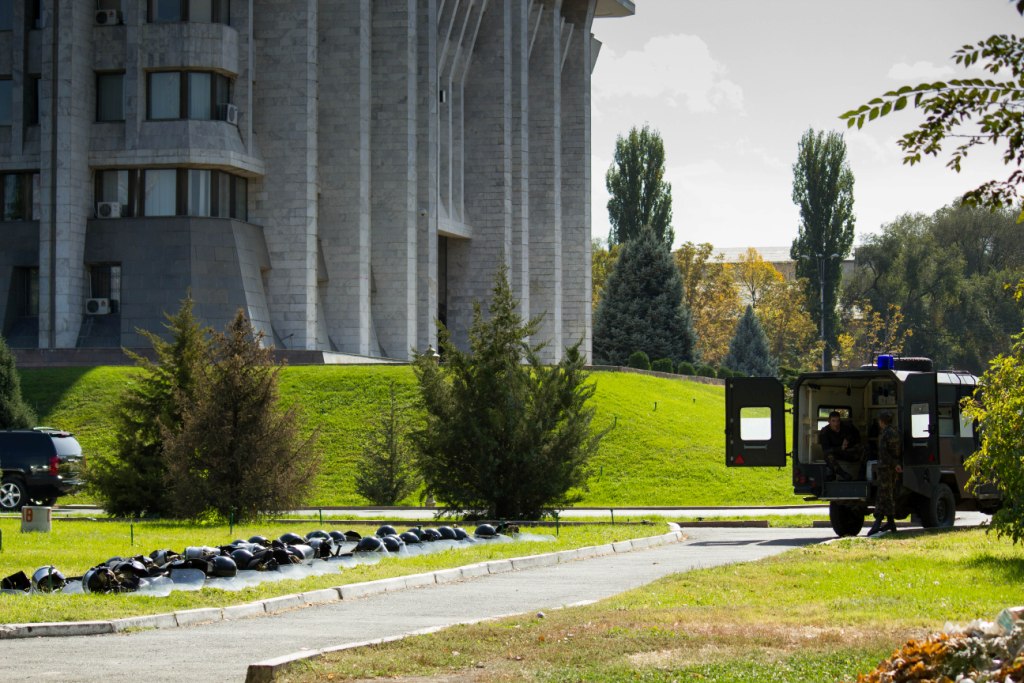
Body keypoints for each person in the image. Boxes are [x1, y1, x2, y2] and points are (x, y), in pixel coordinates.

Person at [868, 411, 902, 536]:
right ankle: (891, 523)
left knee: (883, 495)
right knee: (890, 494)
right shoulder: (896, 432)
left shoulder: (884, 434)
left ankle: (878, 522)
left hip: (885, 468)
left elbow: (883, 453)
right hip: (894, 469)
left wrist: (892, 464)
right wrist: (897, 464)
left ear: (881, 421)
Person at [818, 410, 861, 480]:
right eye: (833, 421)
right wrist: (840, 448)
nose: (836, 424)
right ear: (829, 421)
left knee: (864, 448)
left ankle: (861, 473)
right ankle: (844, 475)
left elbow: (857, 437)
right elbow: (826, 450)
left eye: (838, 421)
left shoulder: (847, 427)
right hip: (836, 453)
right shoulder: (825, 432)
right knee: (828, 456)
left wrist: (848, 439)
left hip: (848, 452)